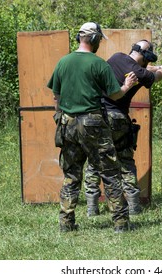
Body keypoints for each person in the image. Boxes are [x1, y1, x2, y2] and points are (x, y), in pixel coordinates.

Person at [47, 22, 138, 233]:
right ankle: (120, 224)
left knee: (71, 175)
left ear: (80, 38)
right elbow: (115, 94)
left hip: (67, 124)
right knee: (111, 173)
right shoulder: (99, 64)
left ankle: (66, 224)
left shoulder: (63, 62)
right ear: (95, 39)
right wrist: (127, 86)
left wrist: (60, 117)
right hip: (94, 124)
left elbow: (56, 96)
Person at [84, 39, 162, 216]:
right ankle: (133, 206)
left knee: (95, 161)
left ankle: (91, 208)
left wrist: (157, 66)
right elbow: (154, 75)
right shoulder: (141, 73)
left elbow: (142, 69)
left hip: (98, 116)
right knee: (125, 161)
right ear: (144, 56)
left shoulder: (116, 57)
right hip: (117, 117)